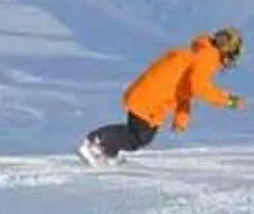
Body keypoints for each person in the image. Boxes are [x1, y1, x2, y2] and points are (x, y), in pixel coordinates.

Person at [81, 27, 245, 165]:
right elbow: (199, 87)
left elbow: (185, 88)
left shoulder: (200, 54)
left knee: (140, 135)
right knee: (139, 137)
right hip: (151, 98)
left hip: (150, 95)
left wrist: (181, 117)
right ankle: (97, 143)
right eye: (233, 57)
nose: (230, 63)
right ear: (227, 52)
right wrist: (229, 101)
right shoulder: (207, 58)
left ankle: (104, 149)